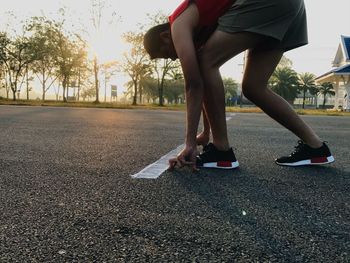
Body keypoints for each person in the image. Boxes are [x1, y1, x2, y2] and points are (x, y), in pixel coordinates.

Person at [143, 0, 335, 171]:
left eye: (167, 54)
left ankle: (221, 151)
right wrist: (206, 132)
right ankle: (316, 147)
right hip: (290, 6)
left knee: (205, 61)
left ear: (164, 37)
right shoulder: (198, 31)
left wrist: (190, 143)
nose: (174, 58)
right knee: (253, 86)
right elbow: (204, 84)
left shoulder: (178, 23)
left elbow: (193, 84)